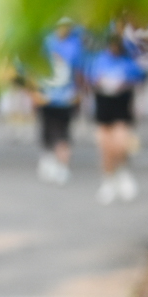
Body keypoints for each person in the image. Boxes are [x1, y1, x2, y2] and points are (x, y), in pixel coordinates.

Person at [88, 29, 145, 204]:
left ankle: (123, 172)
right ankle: (108, 180)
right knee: (105, 147)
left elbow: (138, 77)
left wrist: (124, 84)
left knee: (120, 144)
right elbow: (91, 78)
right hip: (103, 105)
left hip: (121, 105)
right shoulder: (99, 60)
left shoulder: (128, 61)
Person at [29, 19, 85, 184]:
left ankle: (62, 165)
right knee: (46, 130)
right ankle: (48, 158)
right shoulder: (46, 42)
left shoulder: (75, 45)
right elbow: (35, 68)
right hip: (46, 96)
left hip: (66, 98)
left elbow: (80, 71)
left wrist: (79, 93)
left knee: (63, 133)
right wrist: (34, 92)